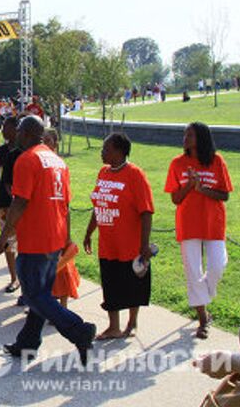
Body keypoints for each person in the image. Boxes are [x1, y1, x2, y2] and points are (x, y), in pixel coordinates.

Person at [0, 115, 96, 365]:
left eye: (19, 130)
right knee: (40, 293)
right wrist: (66, 237)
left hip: (35, 239)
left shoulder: (26, 160)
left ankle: (79, 330)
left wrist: (3, 237)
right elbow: (66, 204)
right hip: (54, 237)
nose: (15, 134)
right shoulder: (57, 161)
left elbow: (19, 203)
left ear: (27, 133)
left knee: (34, 295)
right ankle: (27, 343)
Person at [83, 133, 154, 340]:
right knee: (110, 284)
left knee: (133, 285)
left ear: (119, 151)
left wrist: (144, 245)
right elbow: (99, 205)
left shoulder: (135, 174)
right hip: (108, 244)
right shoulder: (103, 173)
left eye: (106, 148)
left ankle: (132, 323)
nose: (102, 152)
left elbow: (146, 211)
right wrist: (89, 232)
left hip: (129, 245)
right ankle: (114, 326)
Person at [165, 122, 232, 339]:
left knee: (218, 265)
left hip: (213, 223)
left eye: (190, 135)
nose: (185, 138)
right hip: (188, 223)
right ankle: (203, 319)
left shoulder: (216, 160)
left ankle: (202, 294)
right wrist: (189, 185)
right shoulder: (177, 163)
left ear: (201, 138)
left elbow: (225, 195)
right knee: (193, 271)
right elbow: (175, 198)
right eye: (185, 134)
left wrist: (201, 189)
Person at [0, 116, 20, 293]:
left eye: (6, 127)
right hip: (4, 201)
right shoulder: (0, 151)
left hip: (22, 203)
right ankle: (14, 277)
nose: (3, 131)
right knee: (8, 242)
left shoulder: (24, 151)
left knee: (24, 242)